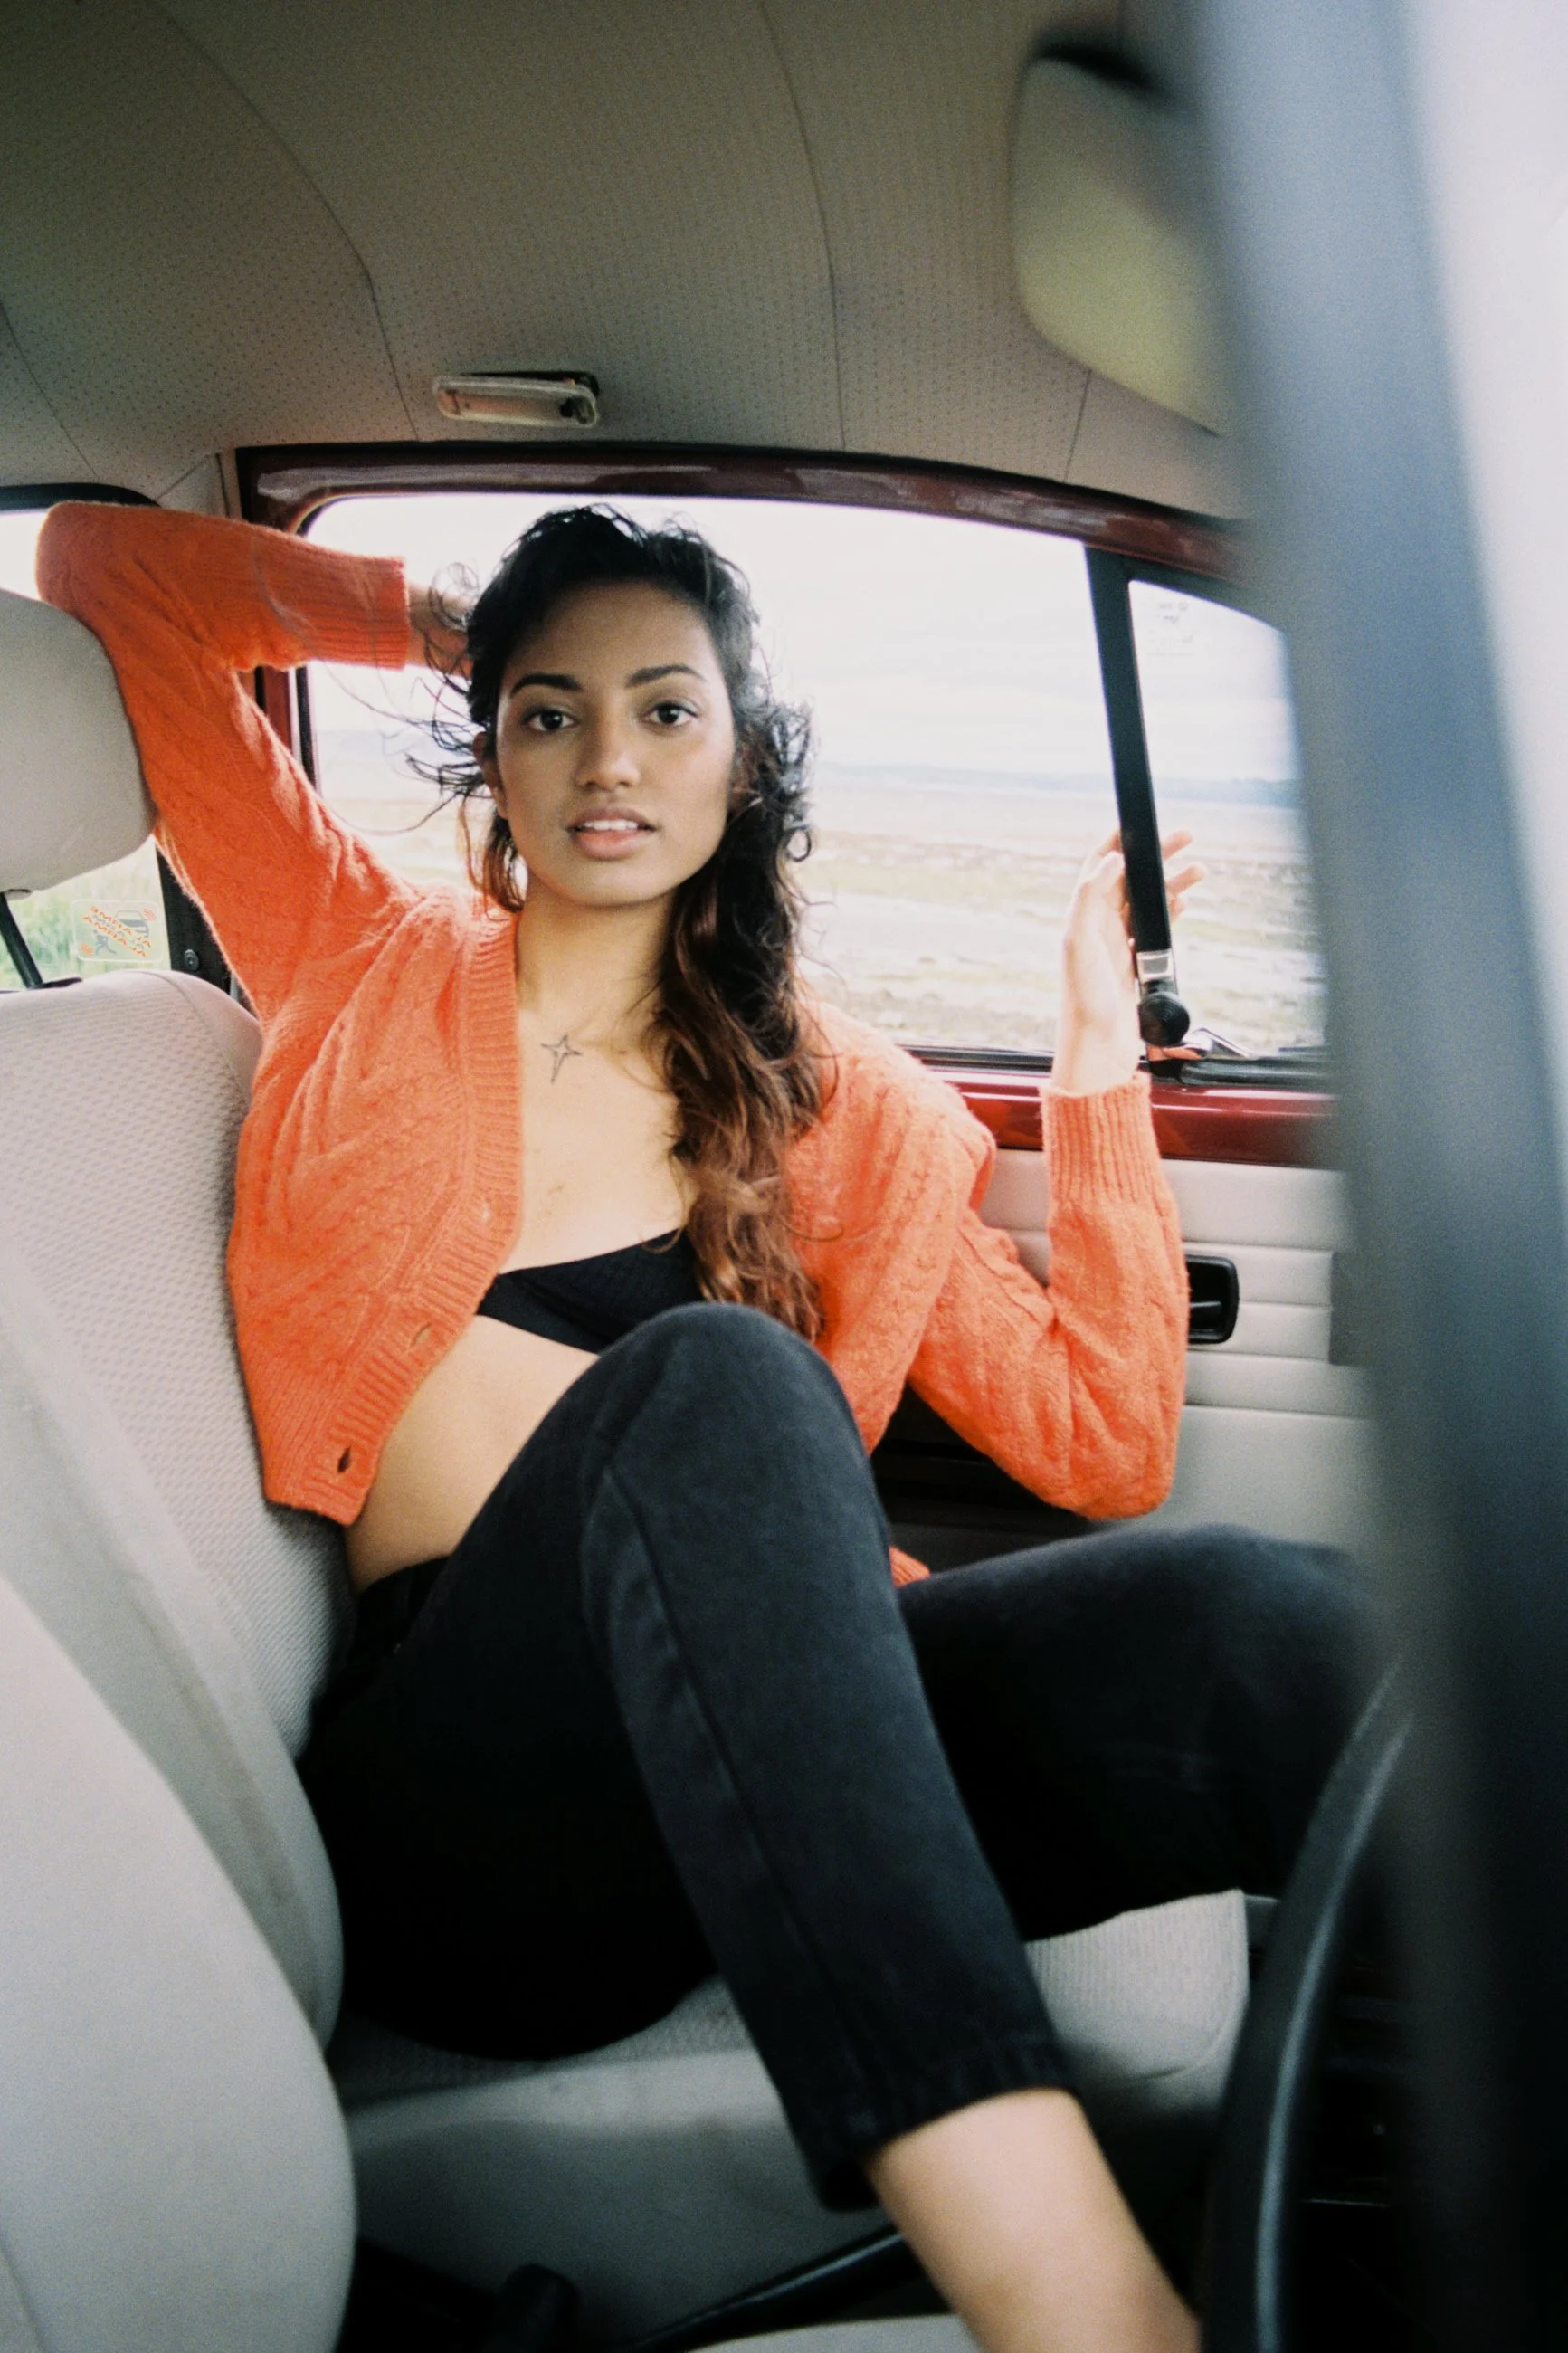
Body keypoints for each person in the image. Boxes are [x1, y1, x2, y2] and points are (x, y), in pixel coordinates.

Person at [39, 498, 1370, 2353]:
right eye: (550, 713)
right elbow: (111, 579)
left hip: (763, 1741)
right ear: (493, 752)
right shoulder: (353, 950)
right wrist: (452, 618)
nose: (607, 757)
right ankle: (1084, 2316)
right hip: (479, 1828)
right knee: (724, 1384)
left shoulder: (842, 1105)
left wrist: (1088, 1062)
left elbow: (1104, 1436)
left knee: (1257, 1623)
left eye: (666, 709)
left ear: (742, 764)